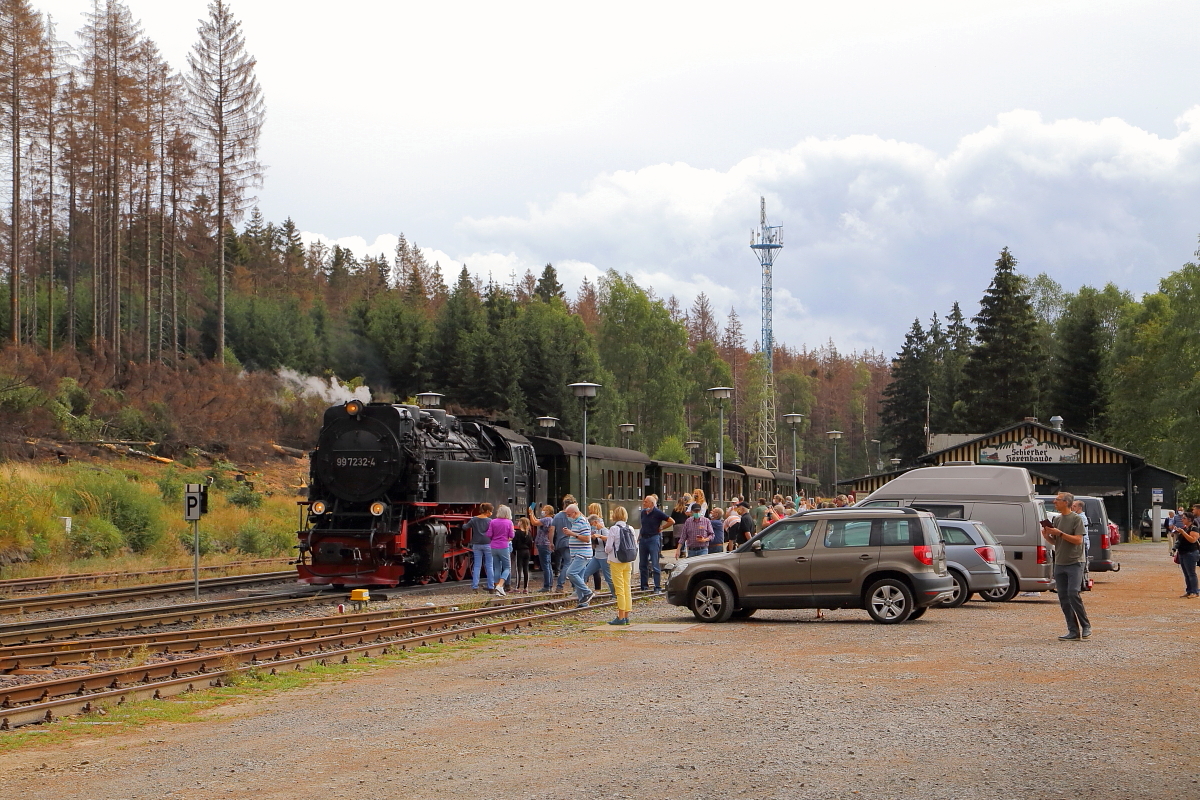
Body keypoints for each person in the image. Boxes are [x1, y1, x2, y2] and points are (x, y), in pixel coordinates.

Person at [1042, 492, 1092, 640]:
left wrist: (1060, 533)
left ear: (1066, 502)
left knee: (1073, 593)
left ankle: (1086, 626)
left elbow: (1078, 540)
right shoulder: (1057, 519)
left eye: (1057, 500)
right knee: (1063, 597)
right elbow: (1057, 542)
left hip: (1075, 562)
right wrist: (1047, 536)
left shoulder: (1077, 519)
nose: (1054, 502)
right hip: (1060, 563)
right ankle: (1073, 631)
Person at [561, 504, 596, 607]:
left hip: (582, 554)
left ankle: (588, 592)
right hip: (577, 554)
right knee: (578, 578)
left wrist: (572, 534)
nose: (567, 517)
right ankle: (583, 601)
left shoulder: (582, 522)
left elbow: (587, 538)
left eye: (569, 514)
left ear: (575, 513)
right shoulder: (576, 522)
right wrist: (570, 533)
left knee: (571, 573)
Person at [606, 506, 635, 625]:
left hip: (616, 561)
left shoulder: (613, 529)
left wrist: (608, 552)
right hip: (628, 561)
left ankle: (620, 617)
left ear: (615, 515)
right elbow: (634, 545)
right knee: (627, 587)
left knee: (619, 589)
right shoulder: (631, 528)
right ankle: (626, 616)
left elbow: (608, 547)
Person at [638, 494, 670, 593]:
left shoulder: (657, 512)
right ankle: (644, 586)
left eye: (646, 502)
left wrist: (661, 528)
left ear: (651, 504)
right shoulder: (643, 513)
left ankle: (657, 587)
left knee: (655, 563)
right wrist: (639, 536)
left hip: (653, 538)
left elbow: (671, 521)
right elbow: (643, 525)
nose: (644, 503)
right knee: (643, 564)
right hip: (644, 538)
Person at [583, 512, 615, 596]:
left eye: (591, 524)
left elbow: (609, 539)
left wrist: (599, 536)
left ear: (595, 522)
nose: (591, 526)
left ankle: (615, 594)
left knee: (608, 577)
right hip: (597, 556)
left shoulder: (604, 530)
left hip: (604, 557)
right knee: (586, 573)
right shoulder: (596, 531)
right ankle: (582, 592)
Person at [550, 495, 577, 592]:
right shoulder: (573, 516)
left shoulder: (557, 516)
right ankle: (560, 585)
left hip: (560, 542)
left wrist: (551, 542)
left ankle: (574, 585)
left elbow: (552, 530)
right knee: (568, 563)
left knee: (569, 563)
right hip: (570, 542)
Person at [467, 503, 496, 592]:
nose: (491, 513)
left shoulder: (474, 519)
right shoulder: (490, 521)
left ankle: (475, 586)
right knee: (489, 566)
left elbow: (465, 527)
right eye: (491, 511)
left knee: (477, 566)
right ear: (487, 511)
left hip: (476, 544)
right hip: (488, 544)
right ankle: (491, 586)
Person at [488, 505, 515, 596]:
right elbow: (512, 535)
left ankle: (497, 589)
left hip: (493, 547)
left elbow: (489, 534)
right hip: (503, 546)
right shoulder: (509, 522)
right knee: (507, 567)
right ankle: (500, 585)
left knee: (497, 568)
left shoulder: (492, 521)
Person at [1174, 511, 1199, 598]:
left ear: (1190, 519)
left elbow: (1193, 540)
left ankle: (1195, 591)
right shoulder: (1185, 528)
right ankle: (1189, 591)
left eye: (1184, 518)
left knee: (1191, 573)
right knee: (1186, 573)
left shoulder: (1194, 529)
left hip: (1190, 553)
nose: (1182, 519)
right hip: (1183, 553)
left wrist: (1183, 533)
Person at [531, 504, 556, 592]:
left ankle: (546, 586)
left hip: (543, 544)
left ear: (548, 511)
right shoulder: (551, 520)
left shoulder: (547, 519)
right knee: (548, 565)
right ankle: (550, 584)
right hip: (546, 544)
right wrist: (532, 513)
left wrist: (530, 513)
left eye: (544, 509)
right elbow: (536, 520)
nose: (542, 511)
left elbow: (534, 522)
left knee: (545, 565)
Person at [511, 516, 533, 593]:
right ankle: (525, 588)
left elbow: (514, 543)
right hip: (527, 551)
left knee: (518, 569)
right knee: (526, 569)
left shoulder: (517, 533)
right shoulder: (529, 533)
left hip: (519, 551)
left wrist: (514, 551)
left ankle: (517, 587)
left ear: (521, 523)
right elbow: (530, 544)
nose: (518, 522)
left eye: (519, 521)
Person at [586, 503, 605, 590]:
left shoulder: (597, 522)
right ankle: (597, 587)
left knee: (593, 569)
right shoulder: (600, 521)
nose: (589, 511)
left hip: (594, 546)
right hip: (595, 546)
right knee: (592, 569)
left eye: (590, 509)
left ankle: (595, 587)